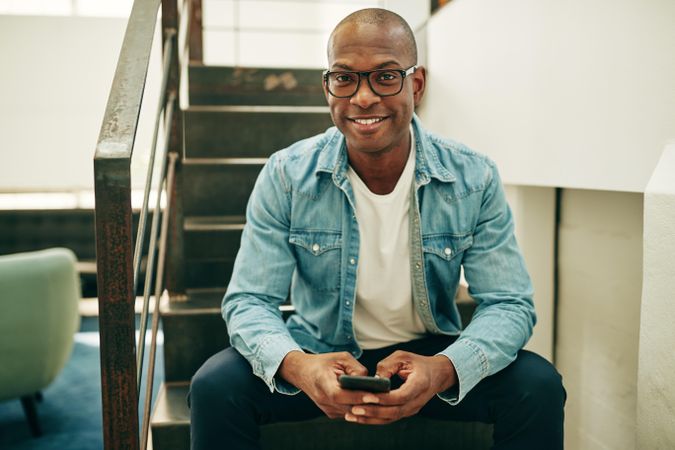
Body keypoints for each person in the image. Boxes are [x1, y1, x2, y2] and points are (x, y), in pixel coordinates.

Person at [189, 8, 565, 450]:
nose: (363, 98)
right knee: (215, 386)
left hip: (427, 352)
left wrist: (442, 369)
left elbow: (510, 303)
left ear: (416, 84)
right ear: (327, 87)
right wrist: (298, 366)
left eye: (385, 77)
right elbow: (249, 300)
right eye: (345, 78)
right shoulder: (287, 174)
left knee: (538, 385)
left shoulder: (472, 177)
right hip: (319, 349)